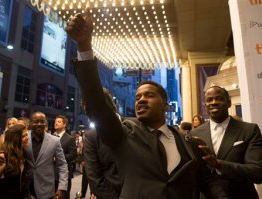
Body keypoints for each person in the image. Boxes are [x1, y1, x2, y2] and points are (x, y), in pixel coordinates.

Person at [66, 9, 227, 199]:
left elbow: (208, 182)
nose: (141, 99)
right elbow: (97, 105)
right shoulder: (123, 135)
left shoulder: (189, 142)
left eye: (149, 95)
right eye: (137, 97)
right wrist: (84, 46)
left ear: (165, 105)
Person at [191, 86, 262, 199]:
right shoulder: (194, 134)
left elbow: (258, 173)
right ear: (205, 106)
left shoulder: (249, 130)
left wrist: (218, 164)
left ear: (229, 103)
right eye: (209, 100)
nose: (214, 102)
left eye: (219, 98)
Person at [83, 88, 123, 199]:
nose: (91, 113)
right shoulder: (91, 136)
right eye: (87, 110)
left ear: (111, 105)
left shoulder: (134, 126)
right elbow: (95, 179)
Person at [24, 112, 68, 199]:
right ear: (31, 123)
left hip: (46, 189)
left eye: (42, 121)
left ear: (46, 123)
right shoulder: (23, 137)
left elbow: (62, 164)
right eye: (36, 121)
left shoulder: (54, 141)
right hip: (24, 187)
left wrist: (62, 187)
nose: (39, 124)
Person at [0, 124, 28, 199]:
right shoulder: (2, 157)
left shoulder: (23, 156)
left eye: (27, 135)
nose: (27, 138)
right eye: (23, 136)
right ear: (15, 139)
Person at [53, 115, 77, 199]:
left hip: (64, 174)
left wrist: (57, 157)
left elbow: (73, 155)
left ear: (64, 124)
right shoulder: (51, 137)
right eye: (55, 121)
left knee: (63, 196)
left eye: (59, 122)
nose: (56, 123)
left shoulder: (69, 139)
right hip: (51, 173)